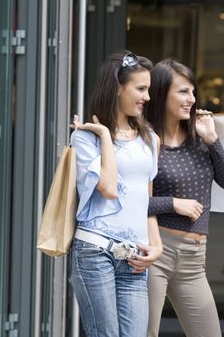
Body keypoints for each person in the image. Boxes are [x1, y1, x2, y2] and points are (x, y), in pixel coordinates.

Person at [69, 50, 163, 336]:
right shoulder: (85, 138)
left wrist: (155, 244)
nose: (147, 97)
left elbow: (146, 198)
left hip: (134, 257)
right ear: (117, 88)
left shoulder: (150, 138)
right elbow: (109, 188)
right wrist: (106, 137)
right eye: (141, 88)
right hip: (95, 252)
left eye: (148, 89)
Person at [145, 59, 224, 337]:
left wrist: (212, 140)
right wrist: (173, 203)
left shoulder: (199, 138)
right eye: (183, 92)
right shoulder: (146, 141)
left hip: (194, 258)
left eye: (193, 92)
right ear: (162, 94)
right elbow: (128, 200)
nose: (192, 99)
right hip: (155, 251)